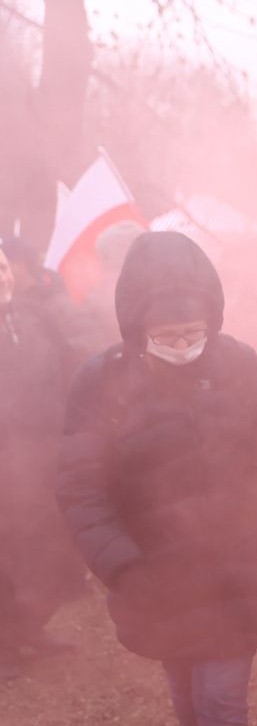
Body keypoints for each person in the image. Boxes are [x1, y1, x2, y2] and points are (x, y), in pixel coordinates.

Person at [55, 230, 257, 726]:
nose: (183, 342)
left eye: (194, 330)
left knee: (221, 696)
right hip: (154, 573)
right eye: (167, 334)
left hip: (237, 562)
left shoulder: (237, 362)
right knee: (189, 695)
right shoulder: (100, 382)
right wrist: (121, 564)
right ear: (137, 328)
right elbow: (80, 487)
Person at [0, 239, 96, 677]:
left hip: (44, 451)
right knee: (7, 550)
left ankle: (28, 626)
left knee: (46, 546)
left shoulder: (31, 313)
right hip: (7, 457)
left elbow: (68, 365)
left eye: (3, 268)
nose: (3, 276)